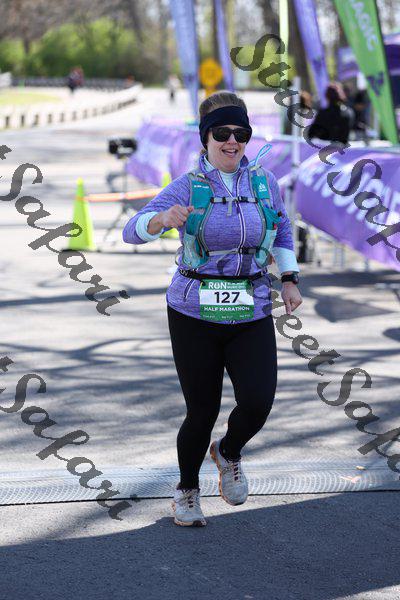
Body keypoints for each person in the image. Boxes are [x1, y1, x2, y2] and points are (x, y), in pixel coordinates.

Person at [122, 91, 302, 527]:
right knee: (202, 411)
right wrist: (160, 220)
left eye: (241, 133)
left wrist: (290, 278)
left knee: (258, 401)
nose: (231, 141)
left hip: (251, 307)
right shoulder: (187, 186)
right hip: (194, 312)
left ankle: (228, 451)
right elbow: (131, 230)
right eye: (222, 133)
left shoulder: (265, 183)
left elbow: (282, 230)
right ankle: (187, 491)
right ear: (206, 138)